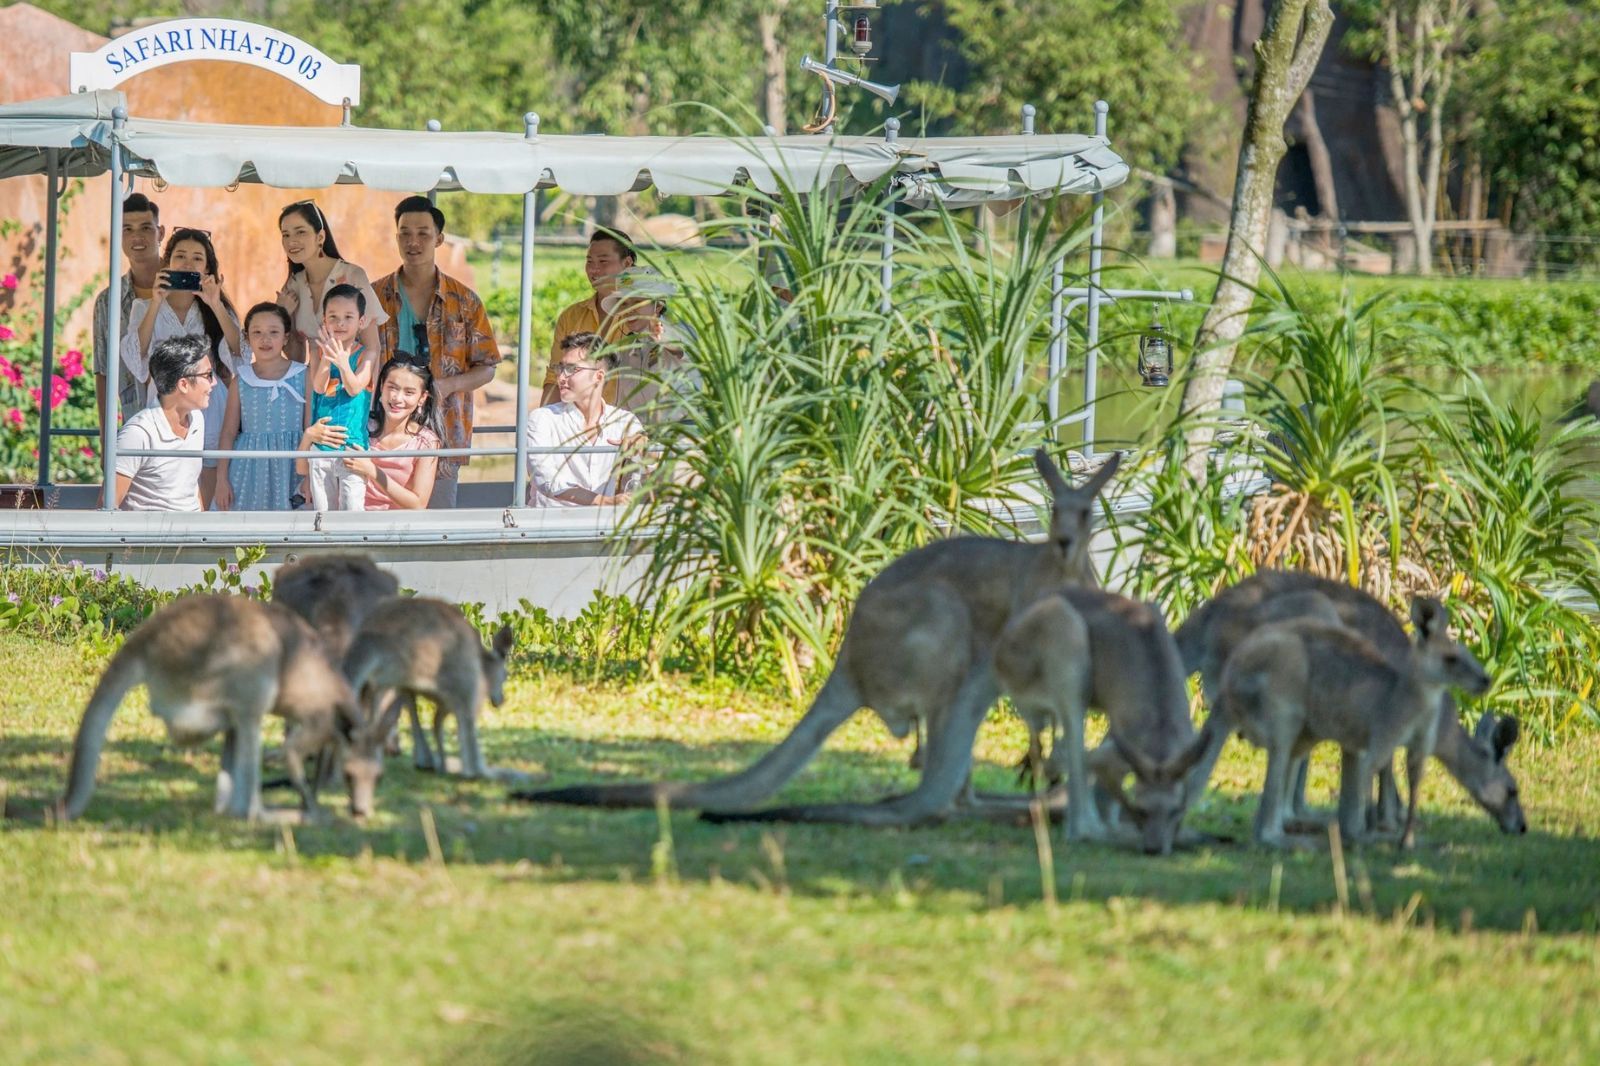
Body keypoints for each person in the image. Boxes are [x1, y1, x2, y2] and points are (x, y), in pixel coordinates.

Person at [371, 195, 501, 508]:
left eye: (423, 233)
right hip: (382, 430)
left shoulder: (465, 300)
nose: (412, 242)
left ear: (439, 239)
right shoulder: (375, 295)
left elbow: (488, 365)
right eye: (405, 233)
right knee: (378, 513)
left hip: (443, 427)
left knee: (437, 520)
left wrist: (446, 386)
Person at [119, 227, 241, 509]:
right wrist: (156, 301)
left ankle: (205, 533)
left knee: (207, 469)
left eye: (197, 258)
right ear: (168, 263)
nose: (187, 264)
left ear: (208, 267)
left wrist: (215, 303)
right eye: (180, 256)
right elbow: (136, 359)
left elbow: (239, 356)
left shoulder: (217, 309)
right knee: (168, 472)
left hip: (209, 400)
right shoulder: (144, 306)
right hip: (166, 403)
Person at [300, 351, 441, 510]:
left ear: (422, 398)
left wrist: (372, 471)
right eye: (392, 388)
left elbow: (418, 504)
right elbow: (303, 468)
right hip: (350, 522)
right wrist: (308, 437)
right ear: (381, 387)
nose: (397, 398)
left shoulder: (426, 442)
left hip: (395, 527)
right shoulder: (359, 426)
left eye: (409, 392)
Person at [525, 332, 643, 507]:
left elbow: (650, 466)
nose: (561, 377)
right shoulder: (542, 419)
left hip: (602, 527)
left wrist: (643, 446)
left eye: (572, 369)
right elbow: (545, 479)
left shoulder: (624, 421)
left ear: (599, 376)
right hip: (549, 528)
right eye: (560, 368)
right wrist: (604, 501)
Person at [214, 303, 306, 512]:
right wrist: (221, 479)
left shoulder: (303, 374)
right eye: (257, 332)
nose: (265, 339)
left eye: (274, 332)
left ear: (285, 337)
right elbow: (228, 432)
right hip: (248, 467)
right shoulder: (241, 379)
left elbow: (309, 429)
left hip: (293, 465)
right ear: (247, 338)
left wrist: (309, 475)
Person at [275, 200, 386, 364]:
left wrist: (363, 388)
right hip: (313, 384)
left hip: (351, 380)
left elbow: (372, 348)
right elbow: (296, 358)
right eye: (286, 234)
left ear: (320, 237)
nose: (291, 241)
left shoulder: (352, 275)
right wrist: (281, 314)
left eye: (300, 232)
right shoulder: (293, 285)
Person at [112, 335, 213, 511]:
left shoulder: (197, 419)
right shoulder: (138, 433)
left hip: (192, 534)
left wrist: (201, 529)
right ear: (183, 384)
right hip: (149, 536)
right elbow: (108, 506)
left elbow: (190, 488)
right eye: (208, 375)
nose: (214, 383)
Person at [301, 284, 377, 511]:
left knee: (353, 510)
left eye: (348, 317)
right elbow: (319, 386)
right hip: (322, 446)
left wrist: (343, 363)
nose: (340, 323)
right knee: (323, 513)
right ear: (324, 321)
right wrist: (327, 356)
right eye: (333, 317)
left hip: (352, 447)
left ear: (361, 321)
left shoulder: (366, 354)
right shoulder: (318, 352)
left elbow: (355, 388)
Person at [538, 230, 636, 405]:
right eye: (589, 261)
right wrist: (545, 422)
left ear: (627, 264)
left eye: (603, 261)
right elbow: (555, 377)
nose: (594, 269)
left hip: (631, 425)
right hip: (577, 424)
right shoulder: (571, 316)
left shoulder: (646, 316)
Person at [92, 192, 164, 428]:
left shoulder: (186, 289)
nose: (137, 237)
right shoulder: (108, 302)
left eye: (145, 228)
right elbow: (103, 372)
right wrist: (106, 438)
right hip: (136, 421)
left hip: (189, 423)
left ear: (160, 233)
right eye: (127, 230)